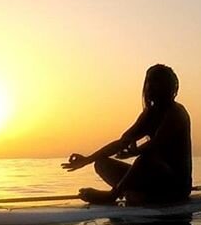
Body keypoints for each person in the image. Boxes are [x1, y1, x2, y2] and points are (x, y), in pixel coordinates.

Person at [62, 64, 192, 205]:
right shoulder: (149, 114)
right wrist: (87, 160)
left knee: (146, 159)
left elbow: (156, 145)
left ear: (170, 87)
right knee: (101, 162)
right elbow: (122, 142)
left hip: (175, 184)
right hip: (153, 180)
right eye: (150, 82)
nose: (152, 86)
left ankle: (113, 196)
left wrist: (134, 152)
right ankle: (133, 193)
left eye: (158, 82)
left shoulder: (177, 113)